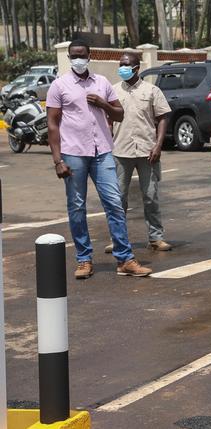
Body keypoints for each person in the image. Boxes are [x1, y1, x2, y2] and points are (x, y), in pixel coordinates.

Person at [46, 39, 152, 279]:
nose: (78, 59)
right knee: (76, 206)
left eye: (81, 55)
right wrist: (57, 160)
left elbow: (120, 113)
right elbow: (52, 124)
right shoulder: (59, 85)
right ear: (69, 58)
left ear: (89, 56)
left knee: (114, 203)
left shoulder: (102, 83)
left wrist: (103, 104)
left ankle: (125, 259)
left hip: (102, 151)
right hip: (73, 153)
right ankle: (84, 260)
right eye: (74, 56)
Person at [106, 52, 173, 254]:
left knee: (150, 196)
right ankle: (117, 239)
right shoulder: (113, 91)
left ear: (136, 68)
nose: (122, 68)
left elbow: (163, 117)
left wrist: (158, 145)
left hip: (147, 151)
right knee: (118, 198)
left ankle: (156, 237)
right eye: (120, 64)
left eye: (126, 65)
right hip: (120, 150)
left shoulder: (152, 90)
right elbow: (107, 119)